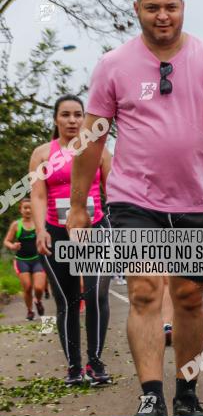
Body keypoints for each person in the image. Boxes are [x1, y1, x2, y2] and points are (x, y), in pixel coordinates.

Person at [70, 0, 203, 416]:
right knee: (146, 291)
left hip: (198, 200)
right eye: (152, 7)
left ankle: (187, 394)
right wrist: (78, 205)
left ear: (183, 7)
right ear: (136, 10)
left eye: (170, 5)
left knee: (190, 297)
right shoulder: (114, 65)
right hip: (135, 200)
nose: (162, 15)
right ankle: (151, 397)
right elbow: (92, 138)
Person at [31, 95, 113, 387]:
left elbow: (111, 191)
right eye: (65, 115)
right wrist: (41, 230)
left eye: (78, 115)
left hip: (95, 231)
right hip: (57, 232)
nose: (72, 120)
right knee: (67, 300)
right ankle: (74, 367)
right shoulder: (42, 154)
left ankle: (96, 361)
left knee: (95, 295)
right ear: (56, 119)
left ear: (84, 119)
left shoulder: (99, 151)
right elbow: (38, 196)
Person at [3, 199, 47, 321]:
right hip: (22, 260)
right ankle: (30, 311)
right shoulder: (16, 225)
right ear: (20, 210)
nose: (28, 210)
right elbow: (7, 241)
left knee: (39, 288)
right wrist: (12, 246)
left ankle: (37, 301)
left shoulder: (39, 223)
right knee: (27, 287)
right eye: (25, 208)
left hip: (38, 259)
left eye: (30, 208)